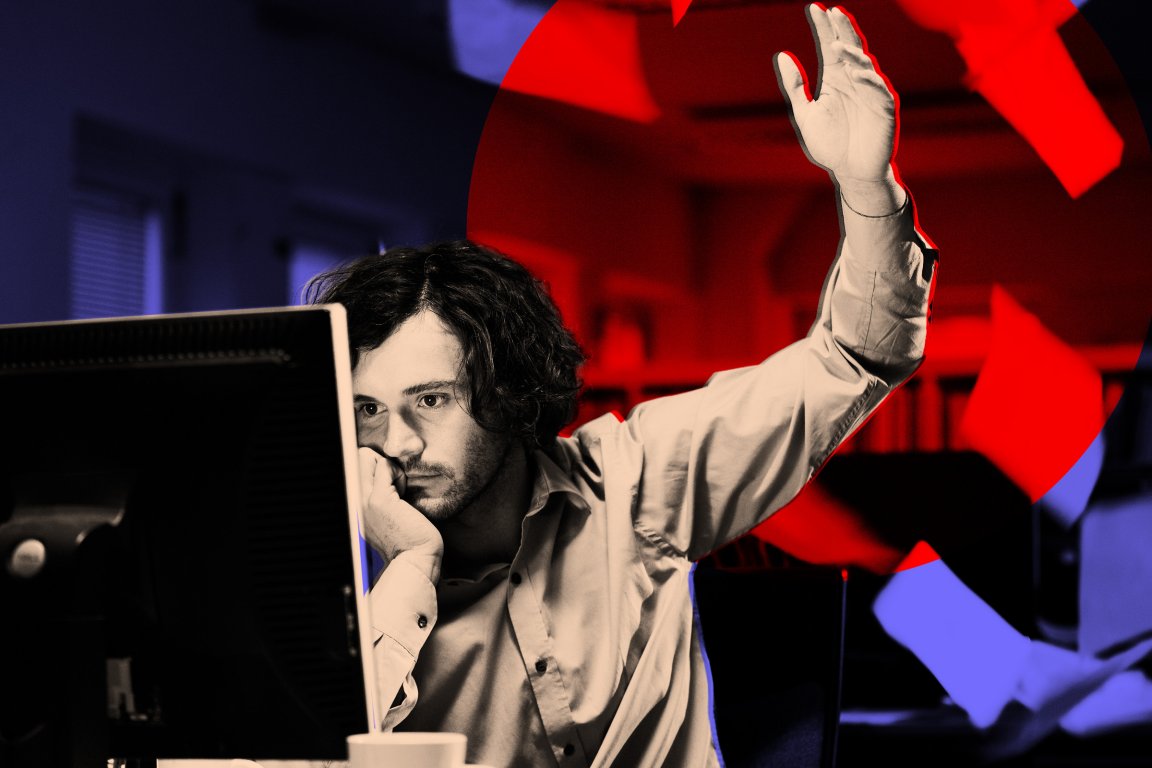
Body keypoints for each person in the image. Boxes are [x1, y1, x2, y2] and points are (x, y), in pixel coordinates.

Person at [307, 4, 937, 766]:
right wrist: (409, 566)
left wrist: (869, 190)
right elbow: (311, 753)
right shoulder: (338, 574)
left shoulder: (636, 481)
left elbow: (856, 357)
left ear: (506, 392)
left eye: (431, 401)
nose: (396, 444)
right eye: (368, 409)